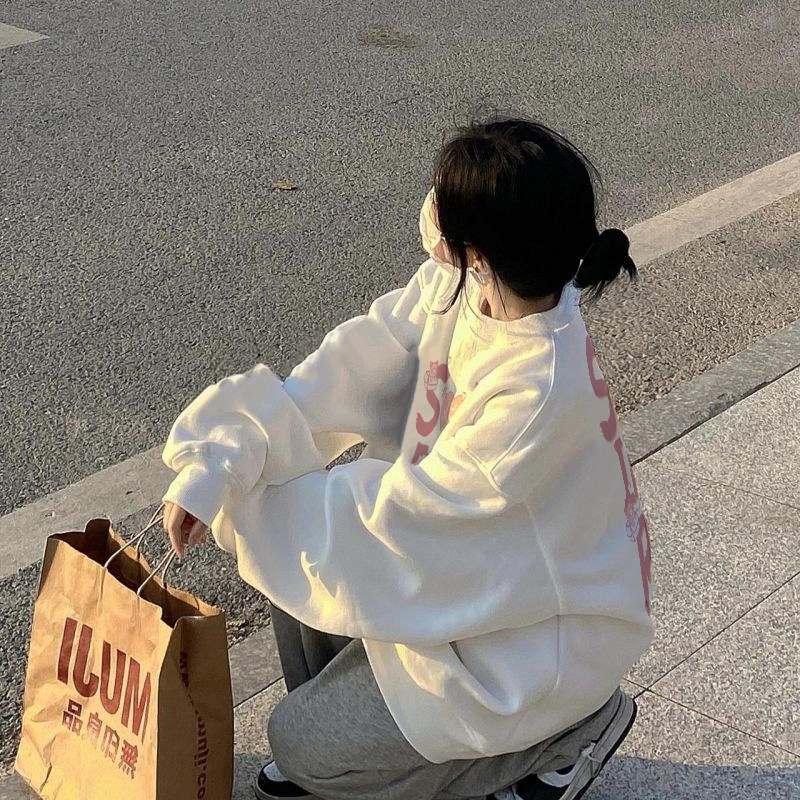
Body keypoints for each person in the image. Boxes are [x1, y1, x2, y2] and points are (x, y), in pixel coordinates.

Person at [161, 111, 654, 800]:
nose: (429, 212)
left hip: (537, 644)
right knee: (290, 525)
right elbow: (338, 376)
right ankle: (362, 753)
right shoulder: (467, 291)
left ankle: (568, 730)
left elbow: (397, 527)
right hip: (487, 585)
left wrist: (249, 506)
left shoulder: (536, 392)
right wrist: (221, 462)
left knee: (299, 744)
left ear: (479, 252)